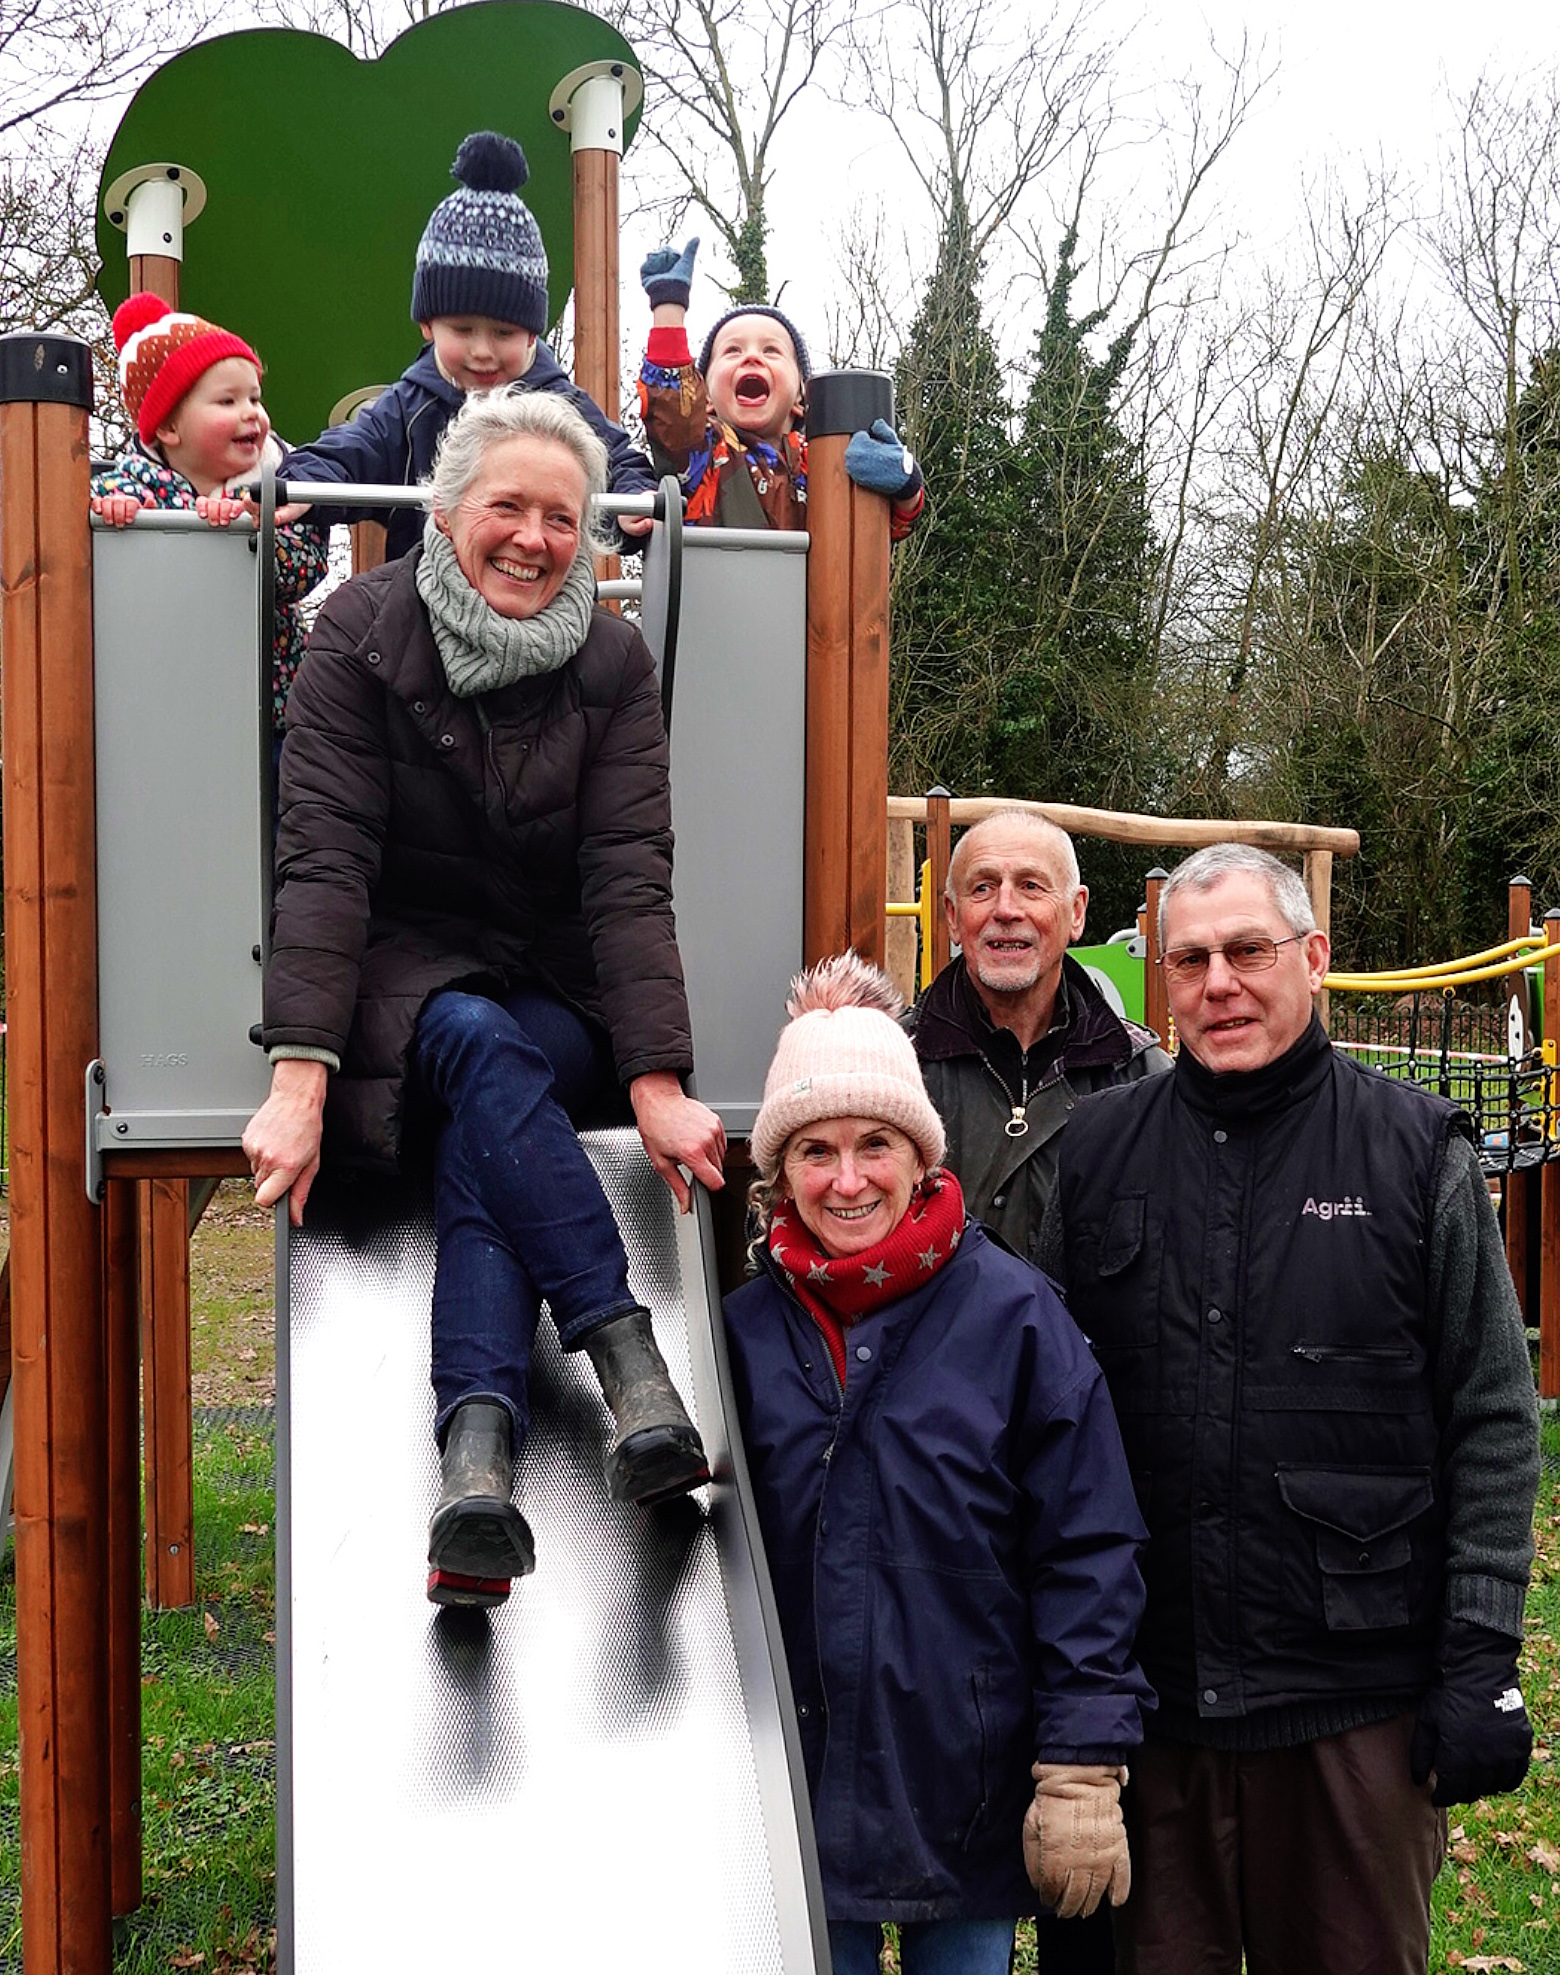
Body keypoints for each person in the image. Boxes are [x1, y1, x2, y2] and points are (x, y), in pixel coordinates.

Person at [242, 388, 725, 1610]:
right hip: (402, 983)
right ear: (447, 513)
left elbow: (627, 875)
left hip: (552, 988)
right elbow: (326, 859)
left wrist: (657, 1081)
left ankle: (479, 1470)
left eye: (562, 517)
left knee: (491, 1090)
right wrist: (299, 1078)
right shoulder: (360, 634)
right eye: (506, 507)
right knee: (464, 1040)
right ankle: (625, 1368)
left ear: (589, 536)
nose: (534, 537)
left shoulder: (611, 661)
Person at [1042, 843, 1540, 1975]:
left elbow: (1496, 1418)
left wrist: (1479, 1653)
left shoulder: (1416, 1153)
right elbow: (1044, 1428)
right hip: (1152, 1711)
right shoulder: (1098, 1154)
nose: (1218, 983)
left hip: (1353, 1716)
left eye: (1247, 952)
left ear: (1313, 958)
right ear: (1160, 979)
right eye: (1189, 960)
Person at [724, 953, 1153, 1975]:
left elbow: (1090, 1546)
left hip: (964, 1787)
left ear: (922, 1154)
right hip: (788, 1782)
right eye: (815, 1150)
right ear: (779, 1173)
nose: (848, 1177)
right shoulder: (739, 1335)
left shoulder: (1013, 1317)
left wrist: (1083, 1761)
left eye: (876, 1142)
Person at [275, 132, 657, 561]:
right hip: (428, 610)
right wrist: (302, 484)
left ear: (533, 332)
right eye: (462, 329)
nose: (482, 351)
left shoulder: (561, 410)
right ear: (427, 325)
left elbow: (617, 462)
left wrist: (633, 501)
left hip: (538, 601)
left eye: (503, 333)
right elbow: (351, 453)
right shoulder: (407, 409)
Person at [909, 808, 1169, 1268]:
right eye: (983, 887)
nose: (1006, 909)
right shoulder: (891, 1066)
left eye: (1031, 886)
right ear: (952, 916)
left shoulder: (1143, 1079)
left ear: (1076, 912)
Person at [91, 292, 328, 735]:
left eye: (255, 399)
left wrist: (253, 530)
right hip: (172, 690)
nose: (252, 415)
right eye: (227, 402)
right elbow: (104, 501)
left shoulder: (280, 482)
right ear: (168, 427)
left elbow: (309, 567)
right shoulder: (140, 482)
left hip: (272, 704)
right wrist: (115, 513)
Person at [637, 235, 926, 533]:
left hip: (818, 580)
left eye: (771, 350)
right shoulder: (703, 454)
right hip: (722, 577)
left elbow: (877, 528)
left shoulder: (826, 462)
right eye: (732, 351)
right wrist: (668, 308)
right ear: (705, 396)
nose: (751, 357)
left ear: (801, 397)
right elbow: (673, 411)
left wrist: (905, 487)